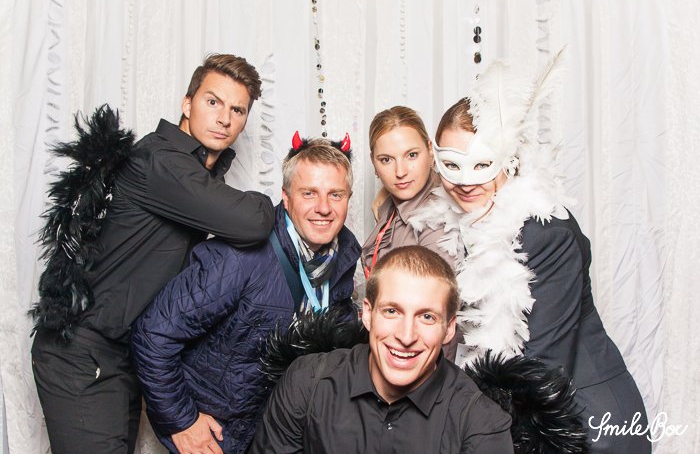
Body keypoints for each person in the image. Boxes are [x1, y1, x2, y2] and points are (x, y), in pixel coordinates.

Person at [30, 53, 275, 454]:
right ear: (187, 104)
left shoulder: (195, 173)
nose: (224, 118)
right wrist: (271, 202)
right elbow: (253, 223)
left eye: (238, 110)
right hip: (83, 351)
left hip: (119, 356)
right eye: (213, 102)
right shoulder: (162, 161)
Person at [411, 53, 651, 452]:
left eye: (482, 165)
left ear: (510, 158)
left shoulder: (546, 234)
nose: (466, 181)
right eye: (452, 165)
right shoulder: (461, 226)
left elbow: (539, 362)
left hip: (588, 424)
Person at [131, 137, 361, 454]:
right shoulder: (239, 257)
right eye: (309, 193)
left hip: (278, 433)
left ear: (348, 199)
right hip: (215, 436)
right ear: (286, 197)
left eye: (335, 194)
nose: (323, 207)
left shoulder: (345, 256)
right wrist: (182, 422)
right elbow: (153, 333)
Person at [249, 245, 513, 454]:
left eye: (427, 317)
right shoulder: (307, 383)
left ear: (449, 329)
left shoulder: (481, 423)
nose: (406, 336)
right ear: (367, 314)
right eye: (392, 311)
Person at [361, 106, 455, 278]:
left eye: (411, 155)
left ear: (431, 151)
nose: (400, 172)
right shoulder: (389, 203)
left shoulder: (438, 225)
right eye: (386, 160)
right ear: (373, 162)